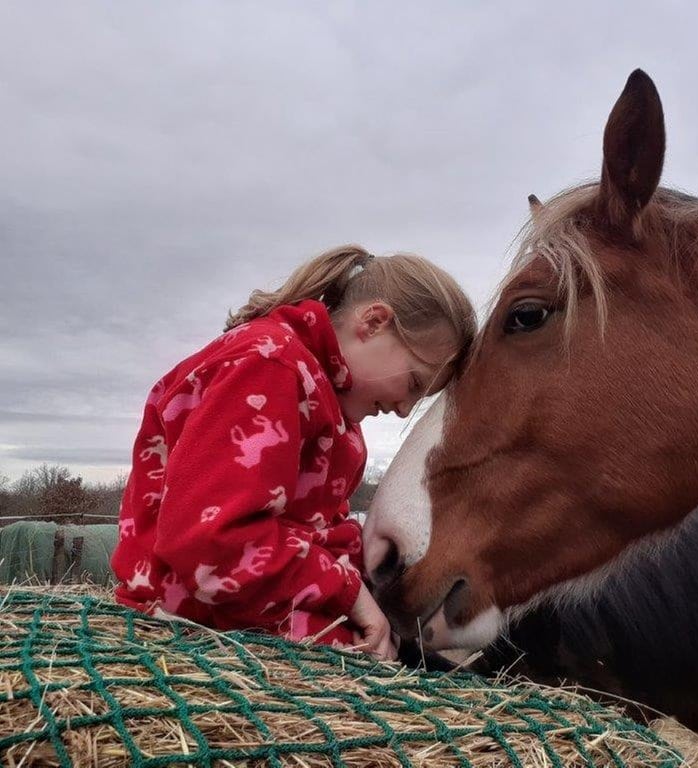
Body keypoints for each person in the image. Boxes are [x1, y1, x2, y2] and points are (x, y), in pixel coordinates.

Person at [111, 245, 476, 659]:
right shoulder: (271, 367)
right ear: (373, 323)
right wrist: (351, 593)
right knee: (393, 670)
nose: (405, 409)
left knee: (427, 647)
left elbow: (317, 528)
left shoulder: (331, 408)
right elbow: (212, 548)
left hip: (261, 598)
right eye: (413, 383)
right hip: (198, 608)